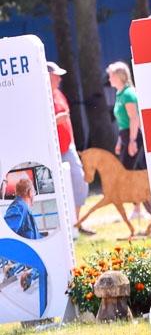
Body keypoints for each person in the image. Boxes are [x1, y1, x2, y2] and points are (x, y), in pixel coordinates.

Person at [47, 61, 92, 234]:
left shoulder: (58, 94)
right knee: (57, 189)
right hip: (52, 151)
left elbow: (67, 118)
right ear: (47, 76)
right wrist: (54, 120)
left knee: (79, 181)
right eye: (55, 75)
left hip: (68, 148)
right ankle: (62, 229)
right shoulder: (40, 95)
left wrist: (72, 141)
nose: (59, 78)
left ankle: (76, 223)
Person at [106, 62, 146, 170]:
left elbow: (134, 118)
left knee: (126, 172)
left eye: (110, 76)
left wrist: (132, 141)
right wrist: (119, 141)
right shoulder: (120, 94)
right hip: (125, 135)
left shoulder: (128, 94)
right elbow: (122, 122)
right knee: (126, 172)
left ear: (118, 77)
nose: (109, 79)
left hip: (132, 135)